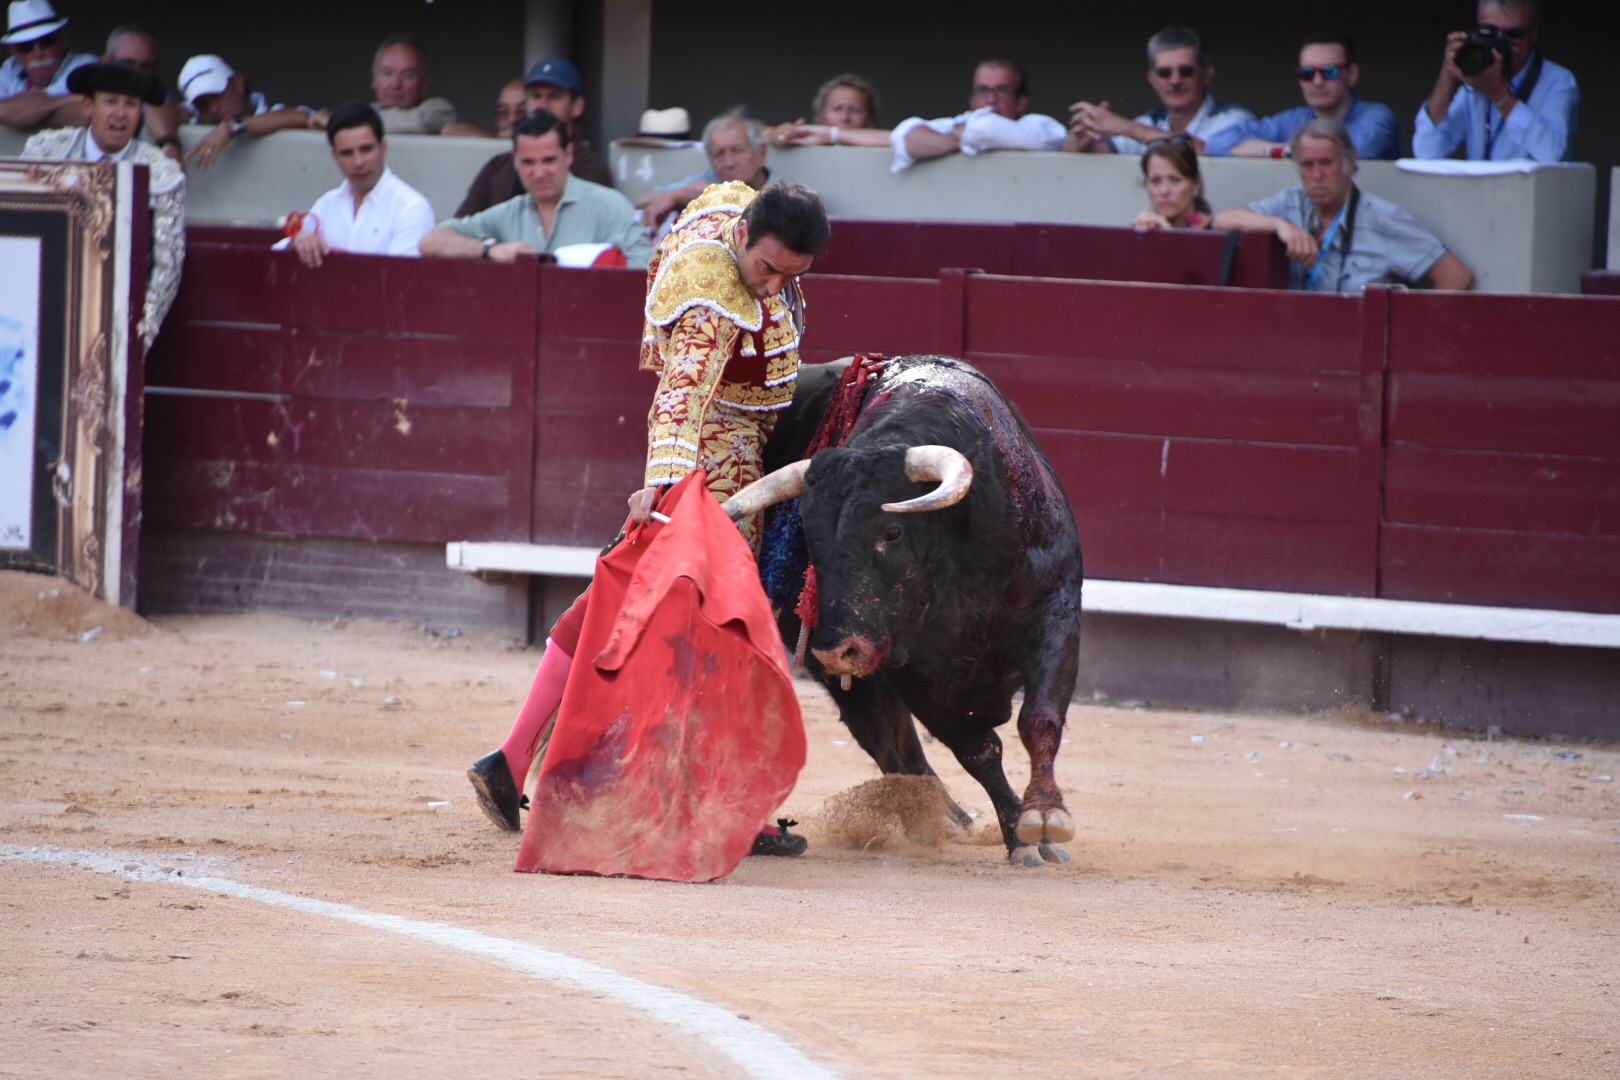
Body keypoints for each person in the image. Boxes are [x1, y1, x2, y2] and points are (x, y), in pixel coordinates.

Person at [465, 179, 830, 858]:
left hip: (727, 449)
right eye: (767, 269)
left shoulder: (736, 214)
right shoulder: (714, 295)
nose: (775, 287)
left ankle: (510, 759)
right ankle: (729, 807)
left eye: (792, 276)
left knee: (619, 600)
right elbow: (680, 397)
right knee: (729, 626)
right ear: (743, 236)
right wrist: (665, 490)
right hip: (718, 462)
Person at [23, 61, 184, 348]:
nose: (120, 114)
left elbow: (167, 266)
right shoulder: (46, 152)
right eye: (110, 102)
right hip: (42, 302)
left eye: (131, 104)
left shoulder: (162, 173)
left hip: (117, 312)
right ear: (88, 105)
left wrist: (138, 337)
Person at [1211, 118, 1473, 294]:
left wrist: (1409, 333)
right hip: (1296, 339)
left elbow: (1455, 275)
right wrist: (1281, 226)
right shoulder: (1291, 203)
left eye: (1326, 163)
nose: (1317, 175)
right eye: (1307, 165)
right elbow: (1222, 220)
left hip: (1358, 345)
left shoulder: (1382, 217)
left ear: (1349, 164)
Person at [421, 109, 652, 267]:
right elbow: (430, 241)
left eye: (549, 160)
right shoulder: (508, 213)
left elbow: (646, 271)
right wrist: (490, 251)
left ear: (568, 155)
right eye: (529, 163)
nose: (539, 172)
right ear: (515, 162)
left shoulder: (609, 206)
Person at [1413, 0, 1577, 162]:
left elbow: (1552, 154)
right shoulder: (1477, 80)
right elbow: (1426, 151)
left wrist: (1499, 94)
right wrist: (1448, 73)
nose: (1502, 43)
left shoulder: (1558, 82)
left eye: (1513, 34)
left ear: (1533, 33)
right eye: (1491, 33)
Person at [276, 102, 434, 269]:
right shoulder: (327, 204)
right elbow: (275, 256)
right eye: (347, 153)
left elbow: (401, 277)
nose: (358, 162)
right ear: (335, 156)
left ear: (384, 148)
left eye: (366, 150)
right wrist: (296, 242)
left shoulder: (411, 208)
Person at [453, 57, 613, 217]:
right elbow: (459, 225)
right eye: (536, 96)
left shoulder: (589, 167)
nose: (543, 105)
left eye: (555, 97)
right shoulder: (498, 165)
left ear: (577, 106)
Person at [1204, 32, 1398, 160]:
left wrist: (1294, 149)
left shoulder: (1377, 116)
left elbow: (1355, 150)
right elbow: (1217, 143)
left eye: (1329, 72)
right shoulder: (1293, 119)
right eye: (1307, 73)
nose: (1317, 81)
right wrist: (1280, 150)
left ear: (1352, 74)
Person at [1065, 26, 1254, 156]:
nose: (1175, 80)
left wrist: (1125, 127)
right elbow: (1103, 149)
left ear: (1206, 74)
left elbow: (1200, 151)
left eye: (1185, 71)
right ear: (1153, 80)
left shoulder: (1235, 120)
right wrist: (1082, 138)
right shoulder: (1149, 122)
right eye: (1164, 73)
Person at [889, 57, 1065, 172]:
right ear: (972, 101)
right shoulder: (961, 124)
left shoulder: (1040, 125)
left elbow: (985, 128)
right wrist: (963, 140)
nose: (991, 99)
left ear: (1021, 102)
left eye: (1002, 90)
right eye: (983, 90)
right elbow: (908, 136)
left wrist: (955, 138)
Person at [177, 54, 327, 170]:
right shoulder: (196, 118)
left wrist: (232, 126)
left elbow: (304, 117)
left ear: (239, 84)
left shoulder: (274, 113)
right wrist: (169, 144)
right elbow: (164, 110)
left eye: (216, 96)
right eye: (202, 104)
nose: (213, 108)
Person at [634, 109, 772, 229]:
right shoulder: (710, 179)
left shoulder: (780, 188)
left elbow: (759, 211)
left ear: (761, 153)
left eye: (738, 150)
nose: (729, 162)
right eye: (719, 154)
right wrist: (680, 195)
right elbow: (642, 200)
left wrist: (713, 196)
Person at [0, 0, 93, 131]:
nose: (38, 53)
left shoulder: (86, 66)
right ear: (13, 50)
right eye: (26, 46)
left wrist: (19, 114)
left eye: (47, 41)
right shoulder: (9, 69)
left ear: (63, 38)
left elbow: (88, 115)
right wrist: (65, 101)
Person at [102, 23, 187, 165]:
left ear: (156, 70)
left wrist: (169, 142)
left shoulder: (156, 97)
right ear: (105, 62)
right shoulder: (86, 95)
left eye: (145, 67)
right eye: (127, 64)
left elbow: (165, 107)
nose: (136, 72)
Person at [767, 72, 890, 148]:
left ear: (870, 117)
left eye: (855, 110)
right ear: (821, 114)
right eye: (837, 109)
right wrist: (780, 135)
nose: (845, 117)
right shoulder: (806, 145)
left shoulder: (889, 147)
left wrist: (833, 135)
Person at [369, 35, 456, 135]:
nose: (395, 84)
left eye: (408, 76)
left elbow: (423, 122)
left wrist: (362, 123)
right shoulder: (365, 112)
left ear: (425, 84)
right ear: (374, 78)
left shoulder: (438, 111)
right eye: (387, 73)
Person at [1132, 137, 1212, 231]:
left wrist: (1169, 235)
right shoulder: (1142, 229)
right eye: (1155, 181)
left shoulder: (1215, 232)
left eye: (1175, 180)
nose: (1164, 191)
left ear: (1196, 184)